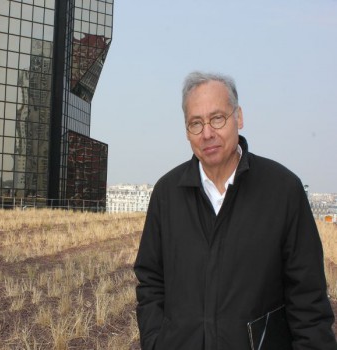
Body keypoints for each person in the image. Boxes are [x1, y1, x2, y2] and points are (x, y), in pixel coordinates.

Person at [134, 71, 337, 350]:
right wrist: (156, 341)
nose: (207, 133)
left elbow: (308, 301)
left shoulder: (283, 190)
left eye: (217, 118)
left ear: (238, 117)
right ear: (186, 131)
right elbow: (151, 282)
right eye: (196, 123)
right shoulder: (166, 194)